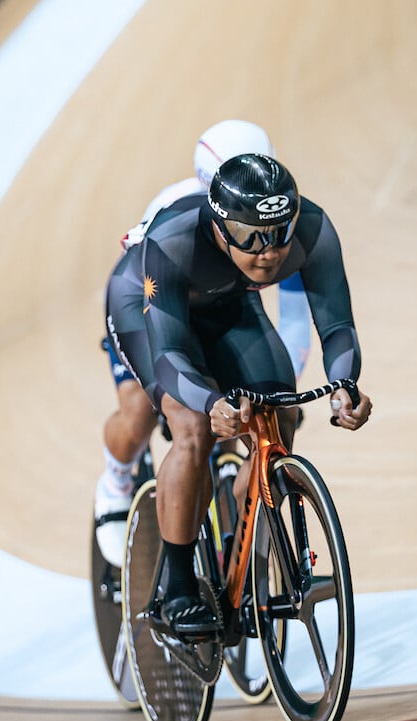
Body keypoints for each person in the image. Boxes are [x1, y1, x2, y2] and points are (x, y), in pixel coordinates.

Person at [103, 153, 372, 638]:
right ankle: (178, 588)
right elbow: (168, 356)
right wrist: (210, 404)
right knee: (191, 430)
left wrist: (345, 383)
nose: (268, 252)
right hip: (144, 305)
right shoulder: (175, 238)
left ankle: (239, 550)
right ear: (220, 228)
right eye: (250, 238)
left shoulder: (312, 227)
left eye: (278, 235)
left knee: (278, 420)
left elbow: (337, 325)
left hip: (228, 305)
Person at [94, 120, 312, 569]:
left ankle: (240, 545)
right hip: (153, 311)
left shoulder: (275, 218)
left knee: (267, 411)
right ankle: (115, 481)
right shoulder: (173, 210)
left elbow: (294, 320)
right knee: (141, 410)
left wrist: (274, 394)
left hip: (221, 315)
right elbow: (156, 316)